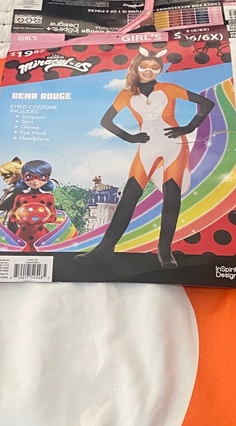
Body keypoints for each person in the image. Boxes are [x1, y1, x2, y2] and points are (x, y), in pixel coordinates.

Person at [75, 47, 214, 268]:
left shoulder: (169, 88)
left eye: (155, 67)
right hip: (146, 148)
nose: (149, 71)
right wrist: (129, 137)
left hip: (174, 146)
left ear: (159, 70)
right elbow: (106, 121)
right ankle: (104, 249)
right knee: (129, 195)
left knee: (171, 196)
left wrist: (188, 128)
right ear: (136, 67)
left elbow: (207, 103)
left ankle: (164, 251)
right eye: (144, 66)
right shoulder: (126, 94)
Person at [5, 160, 57, 251]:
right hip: (22, 233)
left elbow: (53, 216)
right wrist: (21, 220)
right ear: (23, 178)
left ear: (47, 178)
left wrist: (42, 219)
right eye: (29, 177)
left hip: (40, 234)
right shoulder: (20, 197)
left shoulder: (48, 197)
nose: (35, 181)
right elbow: (12, 216)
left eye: (41, 177)